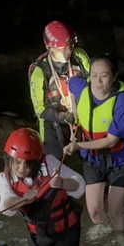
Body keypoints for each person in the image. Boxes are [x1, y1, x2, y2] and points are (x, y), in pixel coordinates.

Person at [0, 128, 85, 246]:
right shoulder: (4, 179)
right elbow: (6, 206)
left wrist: (62, 182)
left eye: (28, 164)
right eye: (17, 163)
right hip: (39, 234)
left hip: (67, 231)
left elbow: (80, 184)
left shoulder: (49, 163)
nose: (22, 169)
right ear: (9, 158)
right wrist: (23, 199)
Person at [63, 54, 124, 231]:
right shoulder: (82, 87)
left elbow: (111, 141)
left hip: (120, 160)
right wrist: (74, 113)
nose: (98, 81)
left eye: (104, 75)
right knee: (95, 212)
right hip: (93, 160)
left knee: (114, 210)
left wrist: (78, 145)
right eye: (94, 75)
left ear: (114, 76)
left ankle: (121, 241)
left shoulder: (122, 99)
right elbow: (71, 83)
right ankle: (106, 231)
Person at [28, 20, 91, 157]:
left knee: (91, 159)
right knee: (53, 165)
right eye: (63, 48)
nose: (68, 51)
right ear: (49, 47)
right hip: (53, 125)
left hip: (82, 116)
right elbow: (40, 110)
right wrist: (65, 117)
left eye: (70, 46)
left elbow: (94, 81)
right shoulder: (39, 72)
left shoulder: (79, 56)